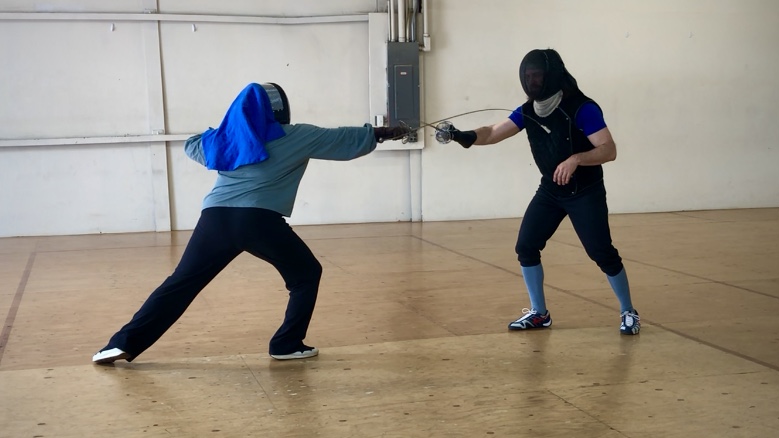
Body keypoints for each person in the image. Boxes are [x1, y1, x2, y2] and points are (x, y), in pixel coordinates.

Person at [92, 82, 409, 364]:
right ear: (281, 110)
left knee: (180, 284)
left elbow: (192, 144)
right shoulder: (297, 135)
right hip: (258, 220)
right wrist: (386, 132)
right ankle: (286, 344)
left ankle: (120, 344)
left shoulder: (224, 140)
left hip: (214, 219)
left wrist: (232, 128)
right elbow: (343, 139)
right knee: (306, 273)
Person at [443, 49, 640, 335]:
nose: (533, 81)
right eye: (528, 76)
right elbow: (493, 131)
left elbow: (609, 150)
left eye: (538, 76)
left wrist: (576, 159)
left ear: (552, 76)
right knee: (526, 246)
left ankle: (628, 311)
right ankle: (539, 313)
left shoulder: (582, 108)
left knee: (602, 252)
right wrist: (464, 136)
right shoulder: (528, 111)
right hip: (550, 191)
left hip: (584, 191)